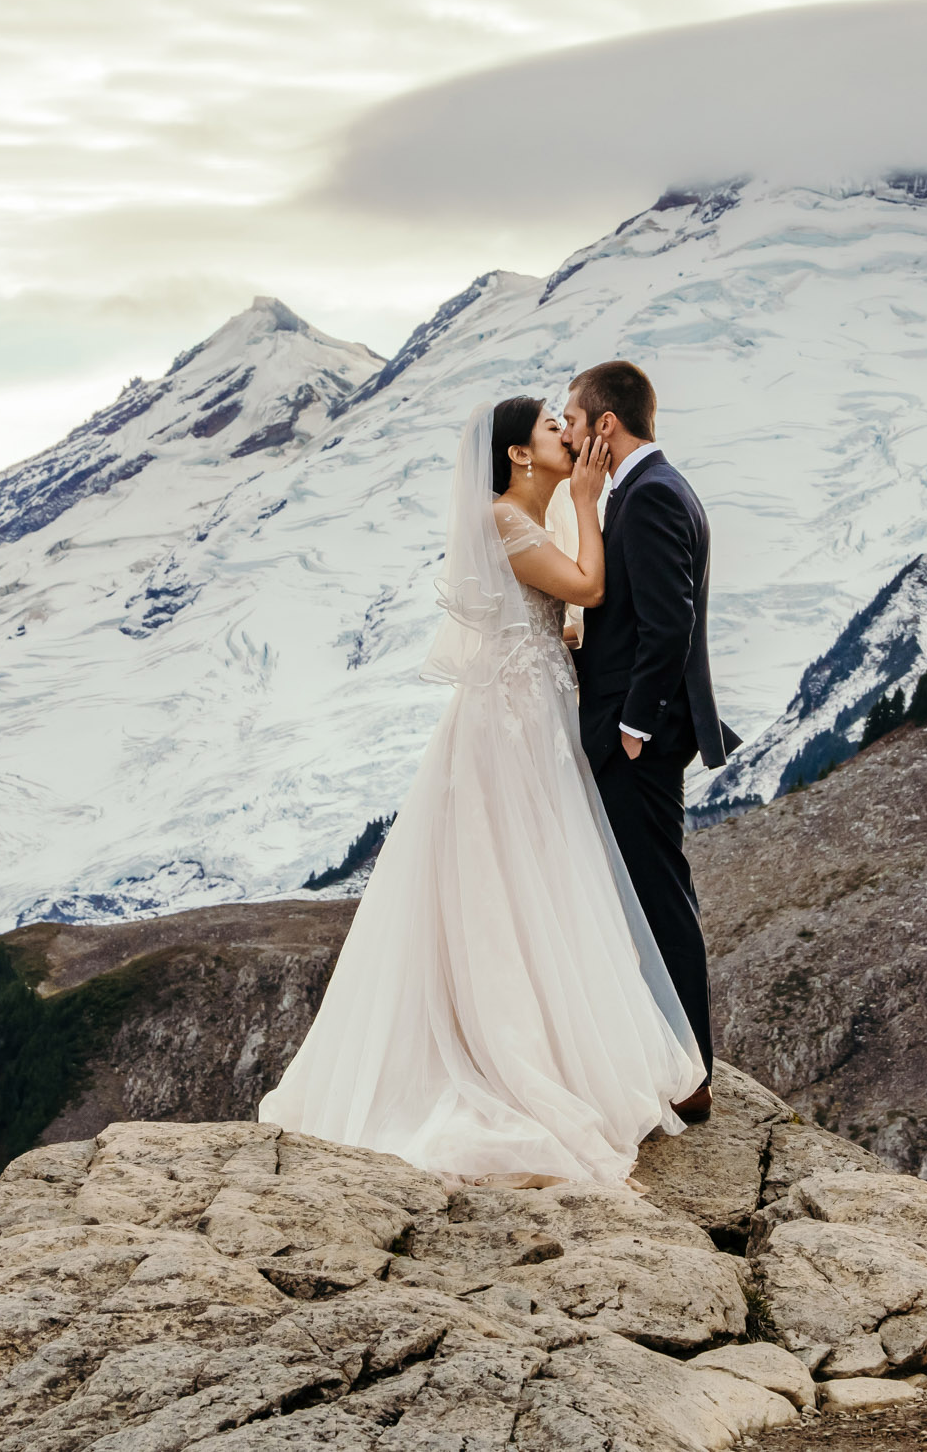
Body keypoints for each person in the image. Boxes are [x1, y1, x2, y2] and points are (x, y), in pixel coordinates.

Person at [257, 396, 705, 1184]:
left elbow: (551, 611)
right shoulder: (506, 520)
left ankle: (552, 1037)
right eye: (550, 428)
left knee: (541, 879)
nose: (568, 434)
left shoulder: (517, 517)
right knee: (514, 879)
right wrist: (587, 502)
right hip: (512, 725)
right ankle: (515, 1052)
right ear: (518, 456)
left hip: (529, 712)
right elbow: (589, 588)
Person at [561, 361, 739, 1122]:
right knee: (643, 893)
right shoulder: (642, 490)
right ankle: (666, 1056)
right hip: (632, 735)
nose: (564, 429)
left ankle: (691, 1071)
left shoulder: (654, 494)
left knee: (661, 897)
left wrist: (633, 728)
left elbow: (668, 626)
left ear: (606, 424)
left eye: (572, 417)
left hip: (641, 740)